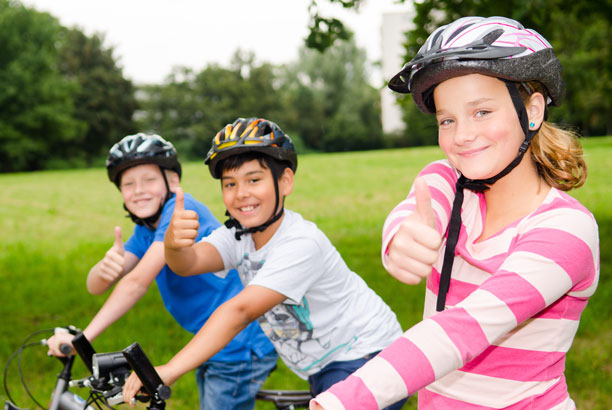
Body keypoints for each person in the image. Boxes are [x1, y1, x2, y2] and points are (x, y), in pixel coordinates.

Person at [310, 16, 600, 410]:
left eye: (481, 112)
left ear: (531, 111)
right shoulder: (449, 181)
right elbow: (417, 209)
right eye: (447, 120)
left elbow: (462, 330)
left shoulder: (567, 230)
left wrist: (344, 400)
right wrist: (397, 237)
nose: (461, 135)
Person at [121, 118, 406, 409]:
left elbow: (240, 311)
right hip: (328, 363)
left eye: (253, 179)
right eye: (230, 184)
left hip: (369, 357)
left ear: (285, 181)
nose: (241, 192)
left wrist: (169, 369)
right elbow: (187, 264)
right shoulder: (239, 236)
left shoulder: (301, 243)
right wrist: (172, 244)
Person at [46, 133, 277, 410]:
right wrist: (103, 270)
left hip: (240, 341)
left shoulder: (181, 212)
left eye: (149, 179)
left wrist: (81, 340)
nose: (139, 189)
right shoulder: (145, 230)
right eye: (128, 183)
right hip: (213, 341)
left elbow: (136, 283)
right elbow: (97, 286)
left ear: (173, 181)